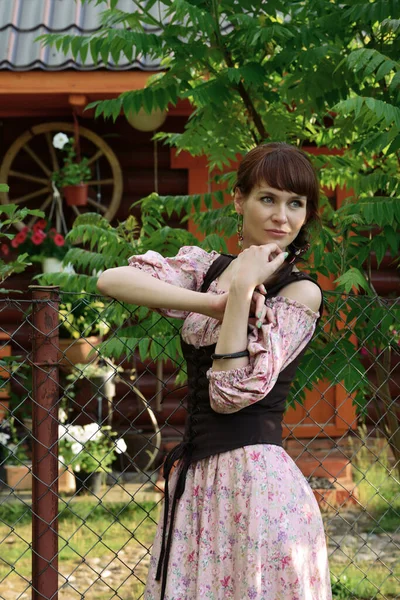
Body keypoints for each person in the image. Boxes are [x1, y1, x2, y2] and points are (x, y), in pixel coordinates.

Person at [97, 142, 332, 600]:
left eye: (295, 203)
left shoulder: (299, 294)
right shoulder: (208, 269)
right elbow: (110, 279)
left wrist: (244, 290)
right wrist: (217, 301)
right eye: (268, 198)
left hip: (257, 487)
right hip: (199, 481)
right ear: (238, 199)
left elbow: (229, 393)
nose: (281, 216)